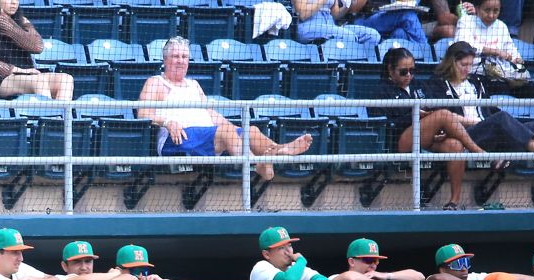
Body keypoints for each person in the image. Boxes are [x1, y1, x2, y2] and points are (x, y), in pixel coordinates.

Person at [137, 37, 313, 182]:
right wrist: (167, 122)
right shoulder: (156, 82)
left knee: (251, 131)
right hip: (178, 140)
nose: (180, 61)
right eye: (176, 56)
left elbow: (211, 114)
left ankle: (280, 150)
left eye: (184, 56)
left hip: (208, 136)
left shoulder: (194, 85)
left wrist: (238, 131)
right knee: (228, 132)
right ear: (165, 60)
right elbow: (142, 113)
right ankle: (255, 164)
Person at [425, 42, 534, 167]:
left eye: (470, 65)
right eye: (463, 65)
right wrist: (479, 123)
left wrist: (514, 125)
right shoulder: (438, 84)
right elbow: (443, 117)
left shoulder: (476, 81)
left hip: (489, 131)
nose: (467, 69)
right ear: (451, 62)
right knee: (502, 119)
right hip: (466, 135)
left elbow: (490, 110)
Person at [375, 47, 486, 210]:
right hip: (400, 140)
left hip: (425, 138)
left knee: (455, 145)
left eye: (412, 71)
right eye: (403, 72)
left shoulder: (419, 86)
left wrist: (437, 130)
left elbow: (433, 108)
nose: (409, 76)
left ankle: (454, 201)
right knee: (443, 114)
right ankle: (479, 152)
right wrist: (415, 114)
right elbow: (384, 122)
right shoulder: (381, 90)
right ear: (390, 70)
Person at [0, 0, 73, 100]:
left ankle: (61, 115)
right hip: (1, 79)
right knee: (38, 81)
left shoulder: (23, 21)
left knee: (66, 80)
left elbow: (37, 47)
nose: (14, 2)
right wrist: (17, 70)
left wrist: (11, 29)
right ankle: (48, 115)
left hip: (29, 74)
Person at [455, 0, 534, 98]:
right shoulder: (466, 22)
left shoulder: (501, 26)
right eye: (487, 10)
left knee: (530, 88)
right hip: (476, 73)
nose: (491, 15)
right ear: (477, 9)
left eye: (495, 11)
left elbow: (511, 50)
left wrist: (517, 60)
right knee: (500, 88)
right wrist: (495, 52)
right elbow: (464, 46)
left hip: (501, 74)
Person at [294, 0, 381, 45]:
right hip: (308, 26)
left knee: (372, 35)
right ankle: (343, 73)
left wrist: (347, 5)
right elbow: (302, 14)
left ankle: (359, 71)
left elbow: (335, 15)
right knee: (348, 36)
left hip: (330, 25)